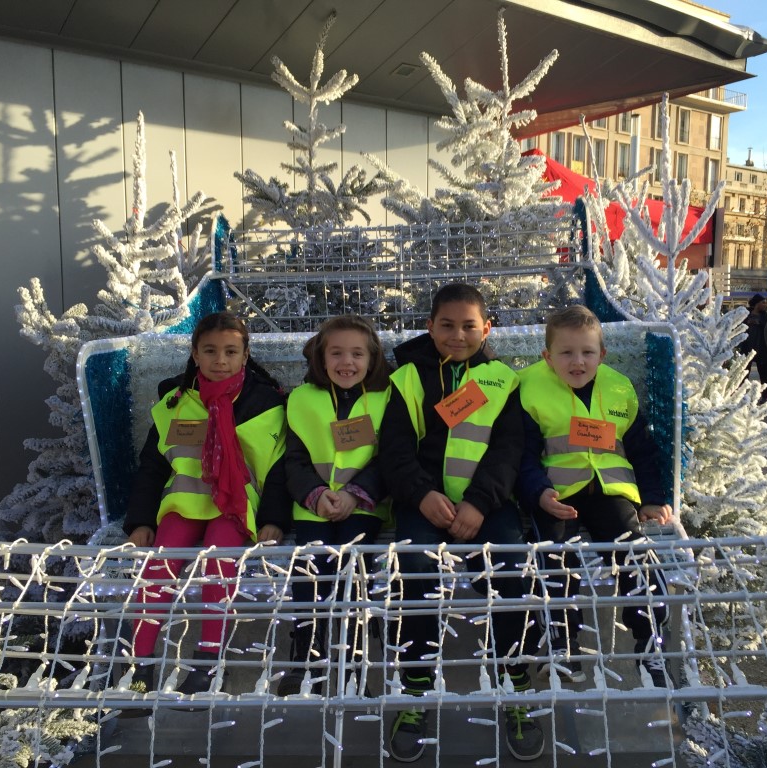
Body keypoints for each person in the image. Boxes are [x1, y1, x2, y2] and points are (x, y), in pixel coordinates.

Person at [379, 283, 543, 763]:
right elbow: (393, 449)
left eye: (469, 325)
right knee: (414, 570)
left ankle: (515, 681)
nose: (457, 334)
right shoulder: (405, 378)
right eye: (446, 325)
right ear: (429, 327)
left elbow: (509, 450)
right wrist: (422, 494)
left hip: (486, 506)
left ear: (486, 329)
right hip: (422, 503)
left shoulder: (502, 380)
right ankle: (416, 686)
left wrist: (477, 503)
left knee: (510, 572)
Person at [121, 312, 290, 699]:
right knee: (157, 569)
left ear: (245, 355)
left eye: (231, 351)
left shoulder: (267, 404)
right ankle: (141, 667)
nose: (220, 360)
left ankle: (207, 664)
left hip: (234, 508)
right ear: (195, 355)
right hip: (183, 502)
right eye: (210, 351)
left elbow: (279, 470)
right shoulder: (174, 403)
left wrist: (274, 520)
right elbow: (152, 467)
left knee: (218, 567)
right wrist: (140, 521)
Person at [516, 305, 673, 687]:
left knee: (631, 550)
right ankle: (563, 645)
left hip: (610, 492)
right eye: (566, 353)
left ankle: (649, 641)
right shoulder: (528, 387)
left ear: (602, 355)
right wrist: (538, 493)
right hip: (557, 494)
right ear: (547, 356)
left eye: (587, 352)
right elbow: (521, 454)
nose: (577, 362)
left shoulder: (619, 387)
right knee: (553, 556)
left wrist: (651, 497)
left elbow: (641, 449)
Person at [279, 316, 392, 696]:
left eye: (357, 353)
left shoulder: (387, 397)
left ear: (372, 358)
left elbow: (388, 459)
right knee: (310, 570)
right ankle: (306, 656)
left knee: (354, 569)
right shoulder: (302, 399)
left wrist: (353, 495)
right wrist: (315, 494)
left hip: (363, 505)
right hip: (312, 506)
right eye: (337, 353)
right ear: (321, 358)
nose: (348, 362)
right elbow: (292, 460)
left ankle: (354, 663)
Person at [738, 294, 767, 402]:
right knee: (744, 374)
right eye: (763, 302)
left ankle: (765, 395)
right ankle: (741, 396)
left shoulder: (765, 316)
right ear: (757, 304)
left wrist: (759, 323)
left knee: (764, 374)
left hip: (761, 349)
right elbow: (738, 327)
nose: (765, 304)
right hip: (747, 348)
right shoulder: (745, 314)